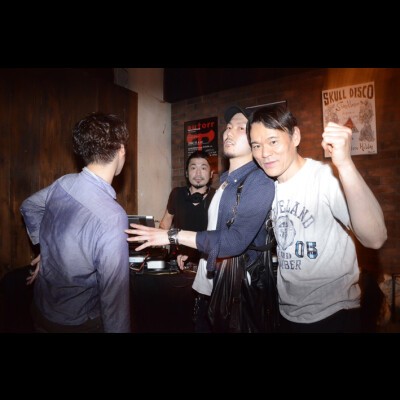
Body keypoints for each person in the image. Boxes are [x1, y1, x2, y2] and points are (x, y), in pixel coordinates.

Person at [126, 105, 275, 332]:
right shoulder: (227, 183)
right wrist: (196, 251)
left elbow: (234, 241)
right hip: (209, 290)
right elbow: (216, 233)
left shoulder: (259, 181)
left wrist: (173, 236)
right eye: (228, 127)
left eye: (240, 128)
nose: (229, 132)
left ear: (255, 139)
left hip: (234, 295)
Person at [248, 104, 387, 333]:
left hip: (334, 315)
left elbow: (375, 238)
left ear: (295, 136)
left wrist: (345, 164)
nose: (264, 153)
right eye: (256, 145)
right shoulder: (267, 189)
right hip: (287, 314)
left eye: (273, 141)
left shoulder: (324, 177)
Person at [20, 112, 131, 333]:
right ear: (121, 150)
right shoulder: (113, 217)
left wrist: (45, 248)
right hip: (79, 323)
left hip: (41, 312)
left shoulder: (63, 183)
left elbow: (28, 206)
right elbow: (114, 301)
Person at [159, 150, 215, 266]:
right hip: (177, 261)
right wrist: (158, 242)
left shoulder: (218, 196)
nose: (198, 173)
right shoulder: (176, 194)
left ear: (211, 174)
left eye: (203, 168)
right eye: (193, 168)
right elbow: (165, 224)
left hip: (206, 262)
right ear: (186, 173)